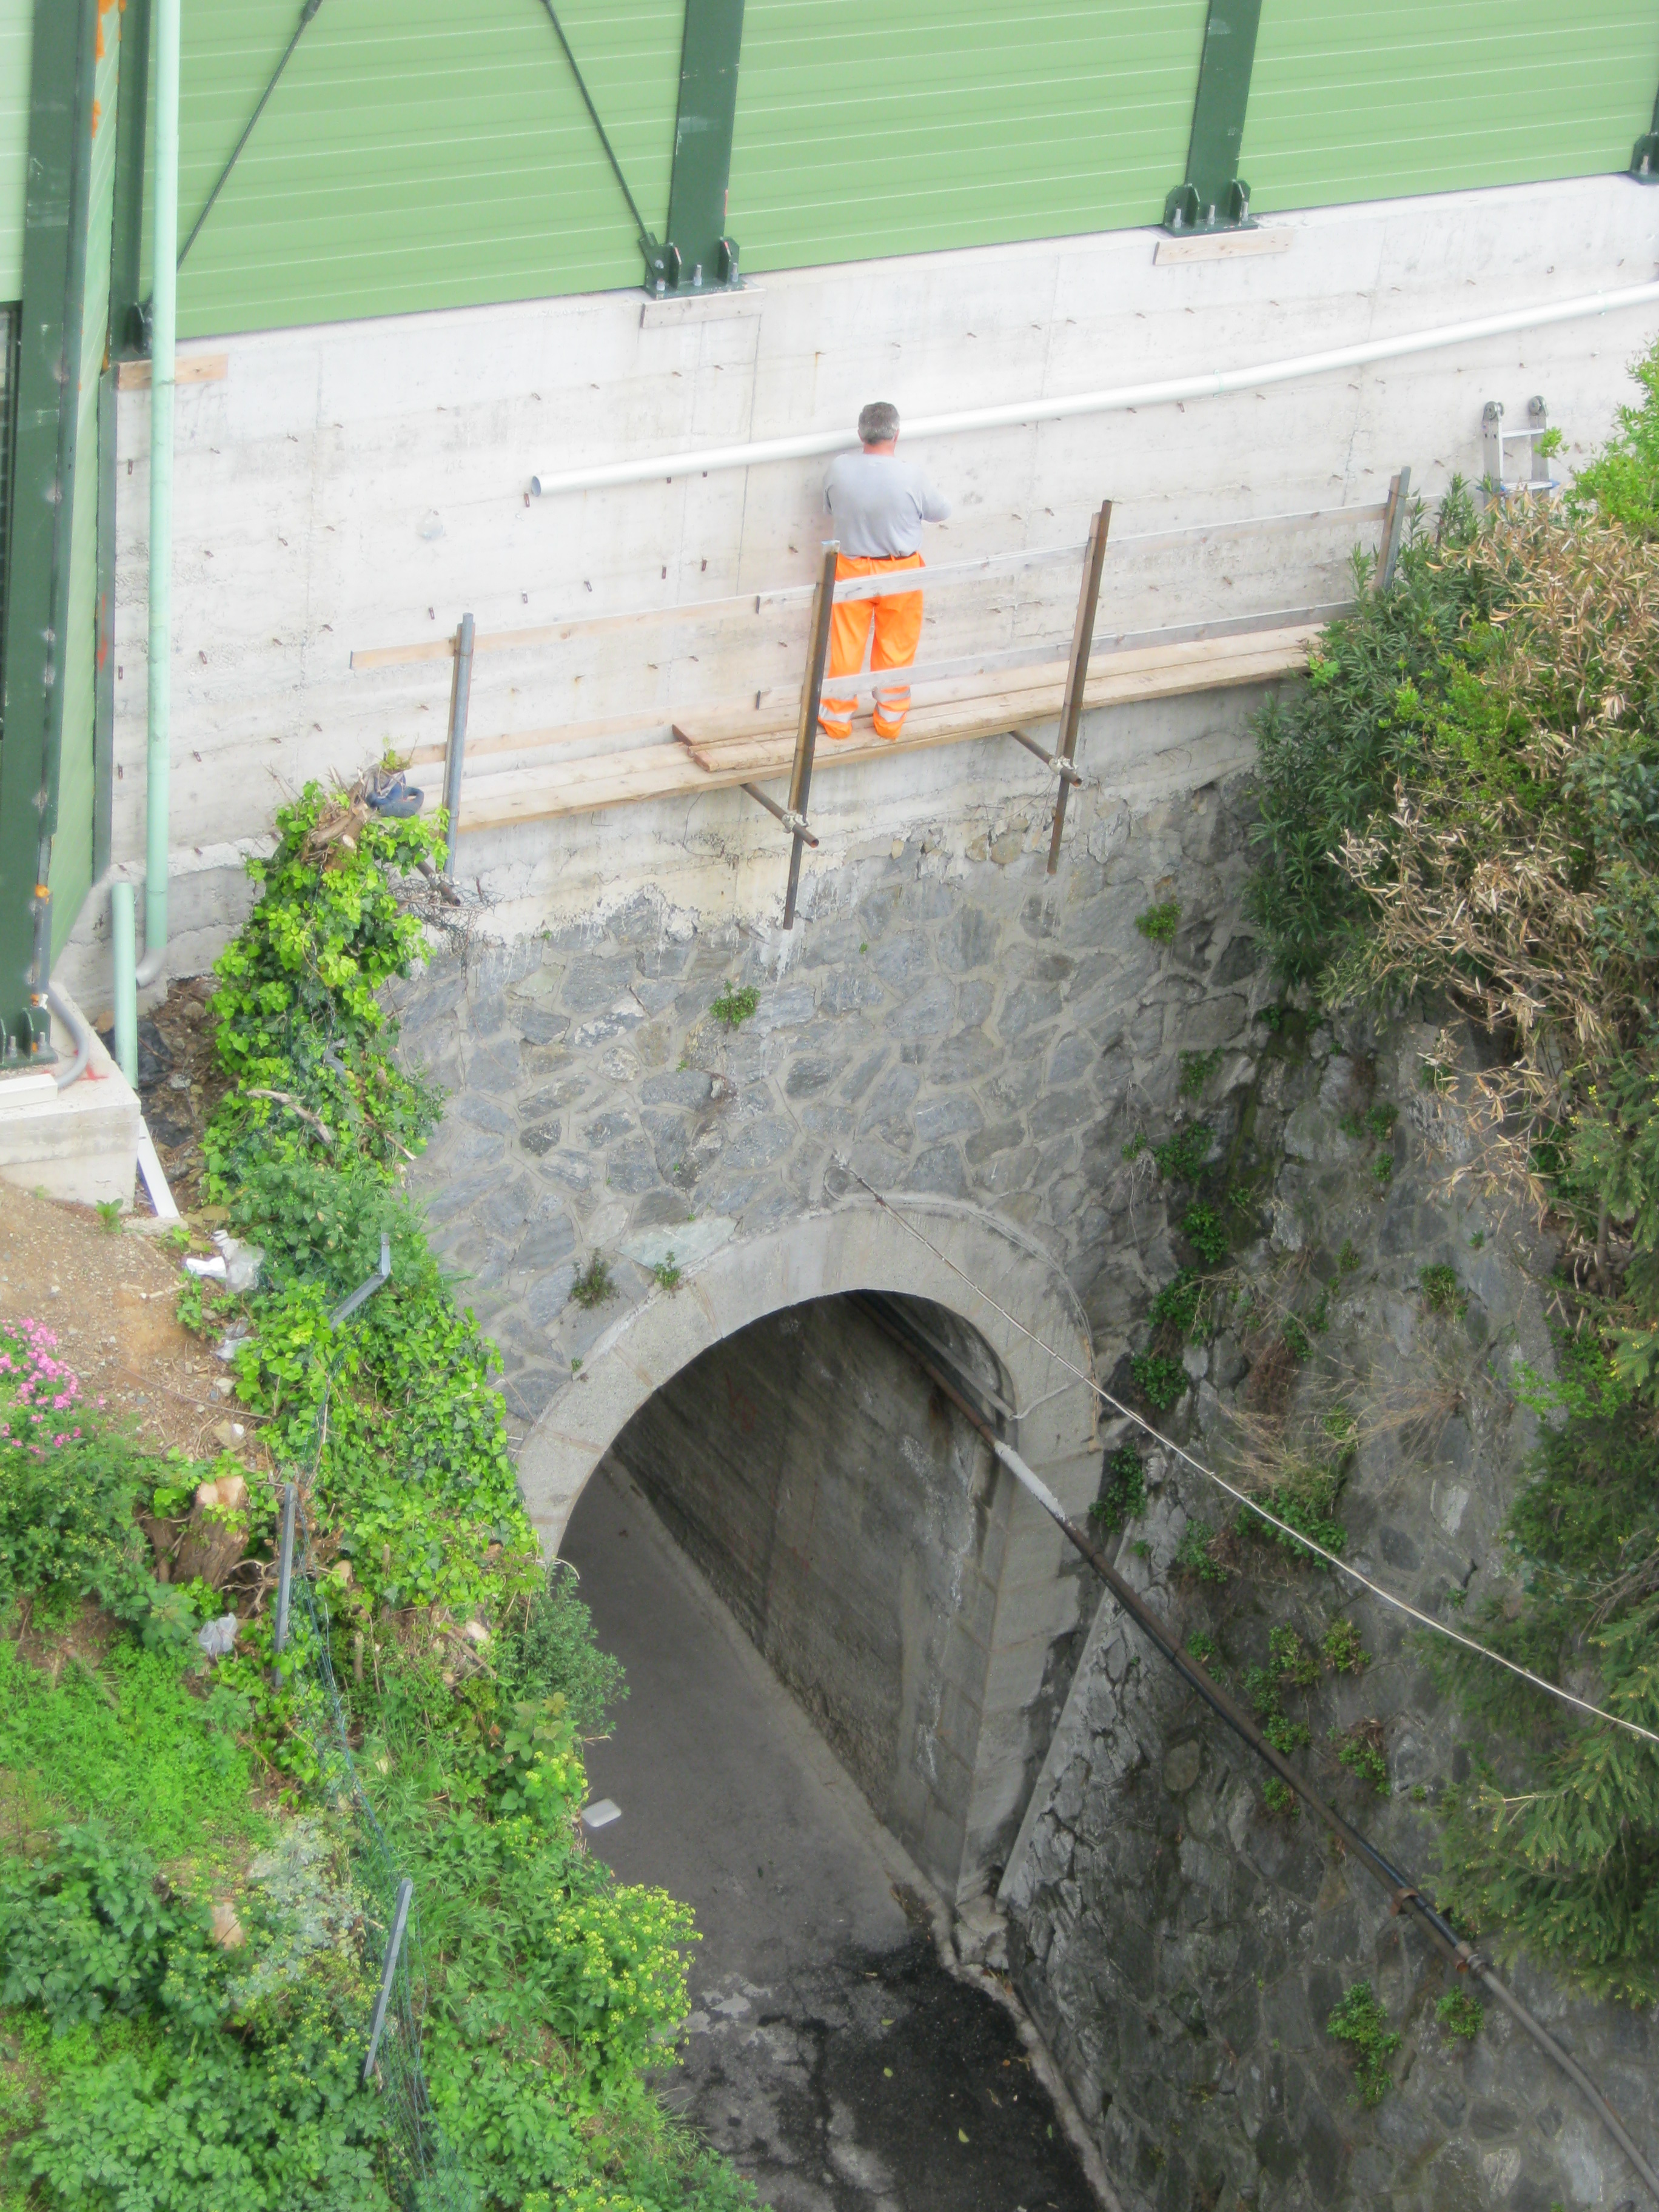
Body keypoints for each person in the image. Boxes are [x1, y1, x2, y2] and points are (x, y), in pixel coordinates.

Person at [819, 401, 951, 742]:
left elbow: (830, 506)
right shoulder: (912, 476)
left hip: (850, 568)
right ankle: (888, 722)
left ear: (861, 433)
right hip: (900, 572)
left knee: (847, 647)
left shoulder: (838, 469)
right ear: (896, 434)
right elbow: (941, 512)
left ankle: (837, 722)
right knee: (896, 648)